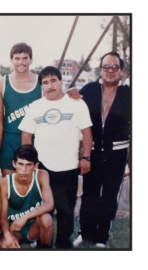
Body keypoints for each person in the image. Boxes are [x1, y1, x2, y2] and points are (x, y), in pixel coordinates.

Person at [19, 66, 93, 248]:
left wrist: (86, 157)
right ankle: (43, 243)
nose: (50, 86)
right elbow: (26, 135)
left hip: (68, 166)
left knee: (66, 211)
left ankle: (63, 244)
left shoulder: (76, 103)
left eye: (53, 81)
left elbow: (87, 132)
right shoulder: (36, 107)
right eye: (45, 82)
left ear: (61, 82)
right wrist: (29, 163)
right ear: (41, 86)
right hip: (43, 167)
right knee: (44, 210)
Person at [71, 52, 130, 248]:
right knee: (89, 194)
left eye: (115, 67)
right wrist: (71, 92)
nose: (110, 70)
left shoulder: (129, 94)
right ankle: (84, 232)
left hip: (118, 152)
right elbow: (72, 107)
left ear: (121, 70)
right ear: (101, 69)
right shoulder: (88, 90)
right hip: (93, 151)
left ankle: (101, 237)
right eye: (106, 67)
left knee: (110, 195)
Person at [0, 43, 42, 177]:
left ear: (31, 60)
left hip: (34, 140)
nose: (21, 62)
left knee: (32, 186)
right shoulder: (2, 83)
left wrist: (72, 91)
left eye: (25, 58)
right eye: (17, 58)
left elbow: (58, 97)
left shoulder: (40, 83)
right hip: (9, 141)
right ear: (11, 60)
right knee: (9, 185)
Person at [0, 144, 54, 249]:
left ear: (36, 166)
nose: (23, 170)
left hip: (34, 225)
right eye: (20, 164)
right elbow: (2, 217)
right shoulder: (5, 183)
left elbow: (49, 204)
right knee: (5, 244)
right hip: (14, 228)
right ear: (14, 164)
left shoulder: (41, 175)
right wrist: (7, 235)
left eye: (28, 165)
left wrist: (25, 217)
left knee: (47, 219)